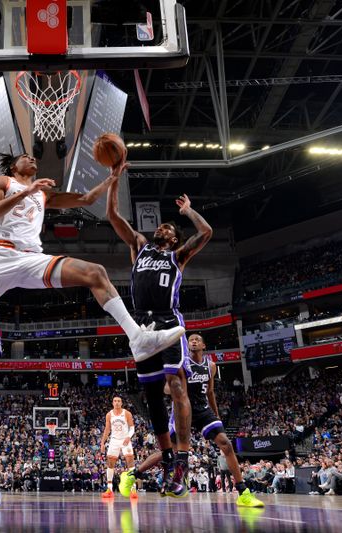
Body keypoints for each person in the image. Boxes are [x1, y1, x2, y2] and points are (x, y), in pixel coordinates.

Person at [0, 145, 185, 433]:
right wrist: (27, 192)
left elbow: (87, 198)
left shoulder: (43, 193)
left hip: (32, 258)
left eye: (33, 158)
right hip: (1, 257)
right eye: (26, 156)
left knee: (96, 273)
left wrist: (112, 177)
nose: (32, 159)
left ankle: (137, 338)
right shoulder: (3, 183)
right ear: (14, 166)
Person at [106, 173, 212, 497]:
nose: (162, 227)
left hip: (167, 323)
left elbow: (206, 232)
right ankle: (167, 457)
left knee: (176, 383)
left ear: (175, 239)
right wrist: (113, 180)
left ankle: (182, 456)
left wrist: (189, 211)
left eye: (168, 227)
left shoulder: (177, 256)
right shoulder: (139, 245)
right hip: (141, 326)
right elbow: (112, 216)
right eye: (160, 226)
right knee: (152, 394)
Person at [119, 334, 264, 507]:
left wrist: (216, 414)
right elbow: (166, 388)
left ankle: (243, 492)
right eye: (190, 340)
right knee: (169, 452)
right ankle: (132, 475)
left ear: (204, 345)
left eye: (197, 339)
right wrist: (172, 387)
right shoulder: (181, 364)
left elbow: (210, 392)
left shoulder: (211, 366)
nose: (193, 341)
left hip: (203, 410)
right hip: (182, 410)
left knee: (226, 443)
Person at [99, 396, 135, 499]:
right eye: (115, 401)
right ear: (112, 403)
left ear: (121, 403)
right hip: (114, 440)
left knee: (130, 463)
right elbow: (107, 430)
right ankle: (109, 489)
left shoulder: (127, 413)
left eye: (119, 401)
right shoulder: (109, 415)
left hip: (125, 440)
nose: (117, 403)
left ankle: (133, 489)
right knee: (110, 464)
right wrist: (102, 443)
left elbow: (132, 427)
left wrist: (129, 436)